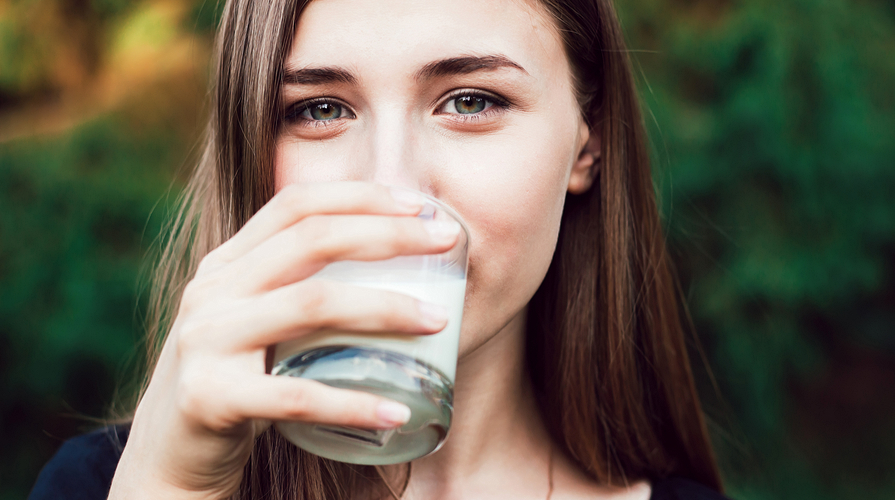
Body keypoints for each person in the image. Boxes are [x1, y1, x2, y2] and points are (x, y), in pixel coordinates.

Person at [30, 0, 731, 499]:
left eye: (470, 101)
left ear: (588, 141)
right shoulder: (108, 487)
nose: (390, 185)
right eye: (320, 109)